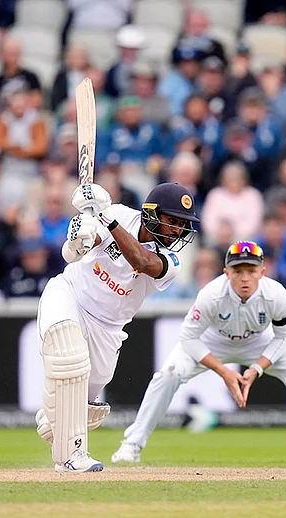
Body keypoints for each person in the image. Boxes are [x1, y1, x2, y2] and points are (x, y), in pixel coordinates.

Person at [111, 241, 286, 464]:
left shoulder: (276, 295)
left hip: (259, 342)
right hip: (213, 341)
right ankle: (132, 444)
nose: (245, 278)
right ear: (226, 273)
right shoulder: (211, 294)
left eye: (251, 271)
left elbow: (284, 338)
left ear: (262, 272)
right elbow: (188, 338)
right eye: (238, 271)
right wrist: (224, 371)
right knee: (169, 374)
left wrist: (257, 367)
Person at [34, 182, 201, 472]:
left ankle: (55, 420)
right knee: (68, 356)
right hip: (70, 293)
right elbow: (74, 253)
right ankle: (72, 456)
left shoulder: (172, 260)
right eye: (172, 220)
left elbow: (140, 259)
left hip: (108, 328)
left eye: (182, 224)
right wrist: (80, 239)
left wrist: (105, 219)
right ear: (151, 214)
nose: (177, 230)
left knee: (82, 407)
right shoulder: (119, 213)